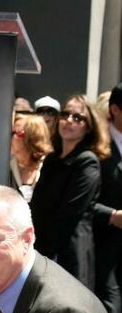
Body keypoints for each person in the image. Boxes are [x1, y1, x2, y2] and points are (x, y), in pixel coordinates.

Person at [30, 94, 109, 291]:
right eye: (65, 115)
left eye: (78, 117)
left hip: (70, 255)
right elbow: (37, 205)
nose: (68, 121)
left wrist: (42, 250)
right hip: (42, 251)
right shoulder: (51, 159)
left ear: (89, 126)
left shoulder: (87, 161)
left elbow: (69, 214)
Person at [93, 82, 122, 313]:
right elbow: (79, 203)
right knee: (111, 309)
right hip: (102, 248)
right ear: (115, 109)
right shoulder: (96, 146)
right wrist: (111, 216)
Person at [9, 114, 53, 202]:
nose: (9, 137)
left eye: (14, 133)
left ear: (31, 137)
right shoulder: (5, 167)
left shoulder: (51, 168)